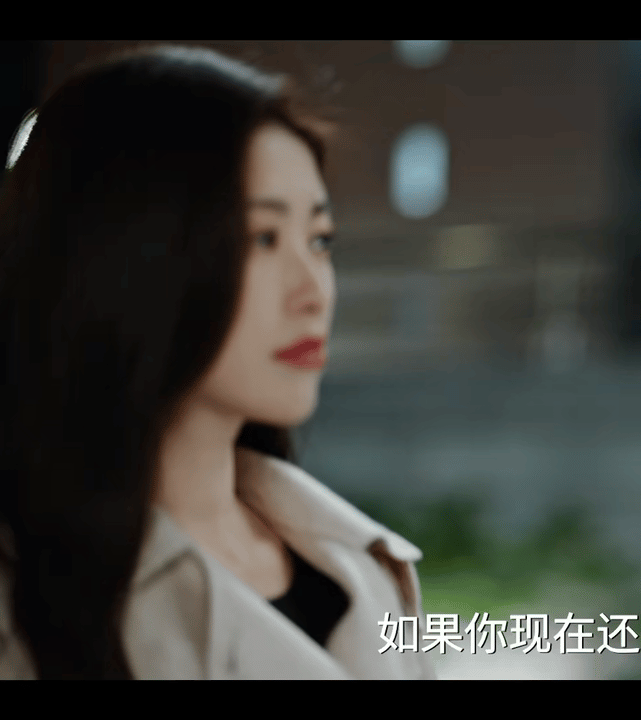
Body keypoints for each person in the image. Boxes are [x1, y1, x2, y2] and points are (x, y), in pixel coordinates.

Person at [0, 45, 435, 679]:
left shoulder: (358, 563)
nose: (313, 291)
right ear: (123, 256)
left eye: (319, 240)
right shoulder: (28, 601)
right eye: (262, 238)